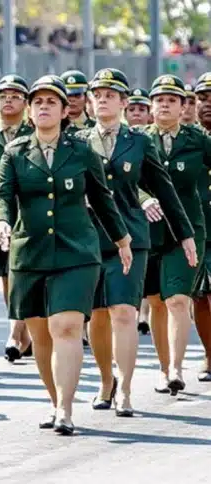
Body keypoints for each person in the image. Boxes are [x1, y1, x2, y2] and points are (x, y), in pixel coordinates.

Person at [0, 74, 131, 435]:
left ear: (66, 110)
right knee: (40, 334)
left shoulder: (81, 151)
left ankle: (66, 409)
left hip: (76, 252)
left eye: (52, 101)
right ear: (30, 112)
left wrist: (122, 240)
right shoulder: (15, 151)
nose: (44, 107)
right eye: (38, 102)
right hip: (29, 253)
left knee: (64, 325)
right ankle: (55, 401)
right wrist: (1, 223)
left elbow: (102, 199)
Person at [77, 68, 194, 417]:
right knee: (96, 317)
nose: (102, 100)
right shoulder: (78, 141)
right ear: (89, 102)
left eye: (110, 95)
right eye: (97, 95)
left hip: (131, 237)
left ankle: (126, 390)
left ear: (125, 103)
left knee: (125, 312)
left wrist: (185, 233)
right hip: (87, 237)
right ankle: (105, 381)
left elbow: (164, 190)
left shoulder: (139, 141)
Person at [139, 74, 211, 396]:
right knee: (155, 302)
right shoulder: (137, 140)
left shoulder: (197, 140)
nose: (165, 105)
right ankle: (164, 365)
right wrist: (143, 198)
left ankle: (177, 369)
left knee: (179, 300)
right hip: (148, 232)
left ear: (184, 106)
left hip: (188, 231)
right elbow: (123, 179)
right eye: (159, 100)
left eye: (172, 100)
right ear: (151, 106)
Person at [0, 75, 35, 362]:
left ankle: (15, 333)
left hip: (29, 211)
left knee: (23, 271)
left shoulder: (34, 131)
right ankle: (20, 329)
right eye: (3, 95)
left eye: (15, 96)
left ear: (25, 102)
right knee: (6, 275)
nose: (8, 100)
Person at [193, 72, 211, 383]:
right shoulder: (189, 139)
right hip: (195, 228)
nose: (207, 104)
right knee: (198, 296)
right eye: (202, 98)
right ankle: (209, 353)